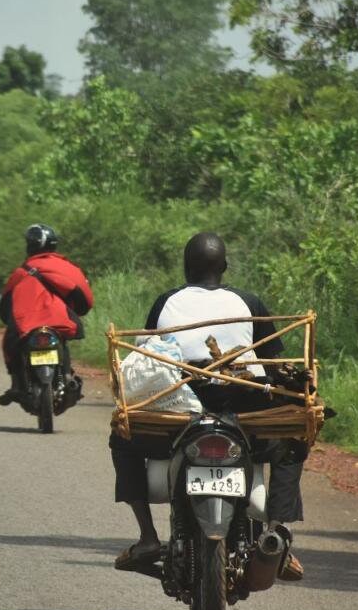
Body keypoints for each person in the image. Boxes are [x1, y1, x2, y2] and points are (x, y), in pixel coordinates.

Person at [110, 232, 305, 580]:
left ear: (186, 268)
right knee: (292, 444)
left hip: (182, 409)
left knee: (121, 439)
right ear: (225, 267)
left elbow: (146, 358)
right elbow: (275, 363)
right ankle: (276, 531)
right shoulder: (248, 302)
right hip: (244, 407)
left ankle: (147, 537)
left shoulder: (166, 302)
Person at [0, 224, 93, 405]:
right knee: (62, 341)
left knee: (11, 344)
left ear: (31, 245)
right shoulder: (69, 268)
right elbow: (85, 297)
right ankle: (66, 376)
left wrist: (9, 320)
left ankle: (16, 384)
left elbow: (4, 305)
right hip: (59, 322)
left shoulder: (21, 272)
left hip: (26, 326)